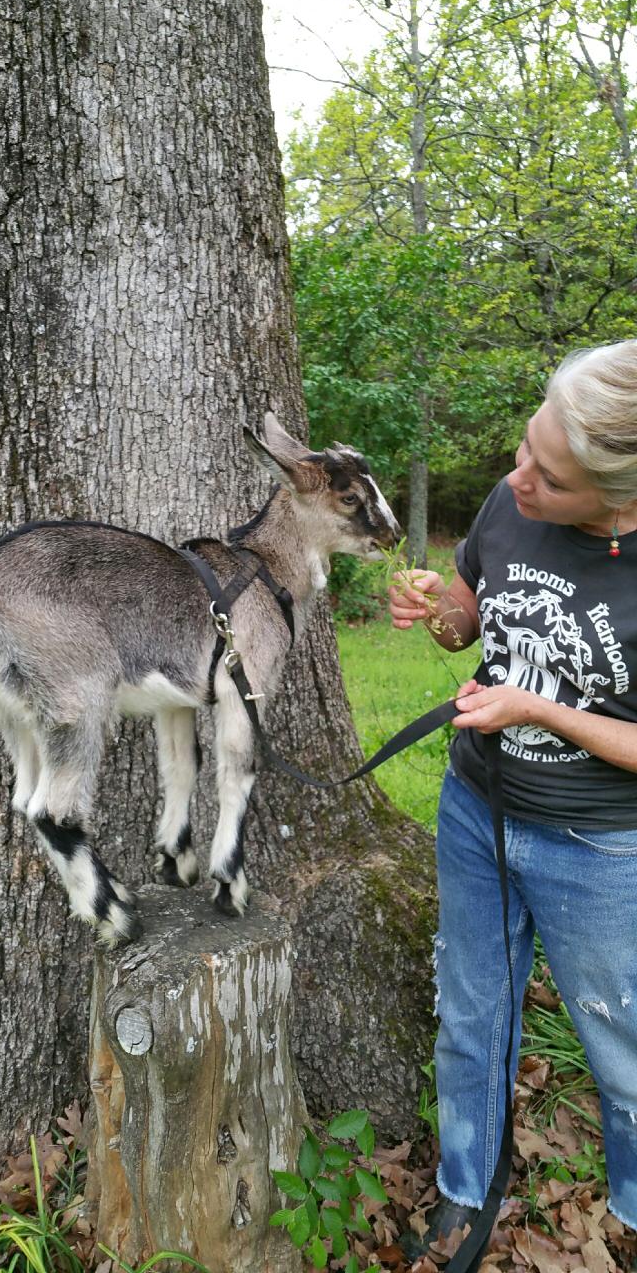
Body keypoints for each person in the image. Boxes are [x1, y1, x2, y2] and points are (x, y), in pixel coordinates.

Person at [389, 340, 637, 1265]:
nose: (518, 478)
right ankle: (466, 1188)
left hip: (603, 850)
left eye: (551, 477)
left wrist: (539, 709)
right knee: (471, 1015)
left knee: (624, 1048)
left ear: (619, 501)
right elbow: (471, 618)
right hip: (477, 813)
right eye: (525, 448)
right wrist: (437, 614)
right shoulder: (511, 497)